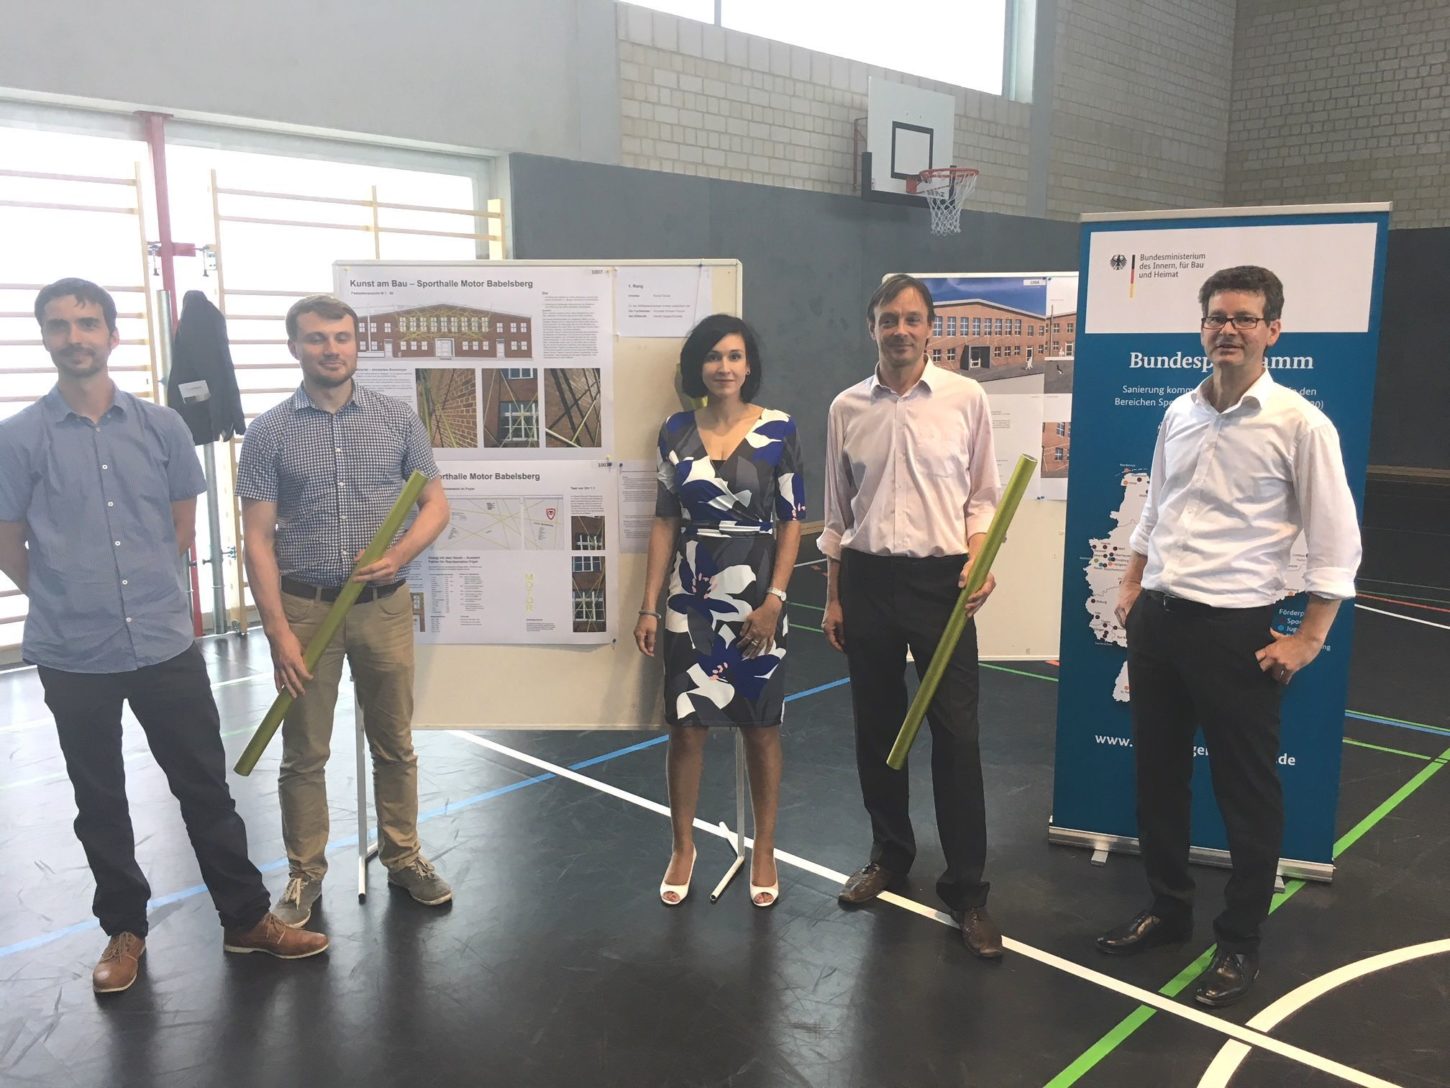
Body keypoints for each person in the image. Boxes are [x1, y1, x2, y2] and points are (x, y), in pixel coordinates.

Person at [0, 279, 328, 994]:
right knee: (101, 800)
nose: (75, 336)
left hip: (163, 642)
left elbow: (182, 529)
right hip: (73, 653)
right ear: (47, 339)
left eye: (88, 323)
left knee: (204, 787)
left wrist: (143, 595)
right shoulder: (17, 439)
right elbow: (9, 542)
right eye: (60, 326)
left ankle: (245, 920)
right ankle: (124, 932)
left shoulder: (163, 429)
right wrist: (69, 596)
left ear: (113, 336)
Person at [1097, 265, 1362, 1008]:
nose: (1228, 329)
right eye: (1217, 316)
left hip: (1235, 633)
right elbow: (1153, 509)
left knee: (1247, 795)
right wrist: (1129, 585)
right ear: (1202, 325)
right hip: (1158, 624)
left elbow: (1337, 546)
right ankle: (1168, 909)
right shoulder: (1180, 412)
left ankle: (1239, 942)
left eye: (1245, 318)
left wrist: (1308, 640)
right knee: (1158, 779)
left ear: (1273, 330)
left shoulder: (1300, 424)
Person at [238, 295, 452, 927]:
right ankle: (305, 872)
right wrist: (277, 632)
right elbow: (256, 538)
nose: (330, 349)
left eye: (341, 337)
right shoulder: (269, 431)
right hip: (305, 611)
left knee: (395, 744)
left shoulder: (397, 421)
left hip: (382, 609)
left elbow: (436, 505)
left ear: (357, 344)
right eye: (315, 339)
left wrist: (401, 554)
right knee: (304, 752)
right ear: (294, 347)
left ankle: (404, 856)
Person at [820, 274, 1005, 958]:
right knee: (878, 729)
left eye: (912, 319)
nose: (900, 330)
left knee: (957, 737)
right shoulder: (846, 407)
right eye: (888, 319)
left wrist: (980, 558)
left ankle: (967, 891)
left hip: (940, 584)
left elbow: (984, 497)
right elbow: (838, 516)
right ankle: (890, 855)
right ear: (871, 326)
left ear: (931, 329)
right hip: (867, 580)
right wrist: (836, 594)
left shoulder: (966, 399)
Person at [634, 314, 805, 908]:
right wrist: (650, 606)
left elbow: (792, 522)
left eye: (734, 356)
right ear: (698, 367)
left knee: (762, 728)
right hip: (690, 596)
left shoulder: (779, 429)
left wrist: (775, 600)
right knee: (686, 728)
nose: (724, 367)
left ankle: (764, 848)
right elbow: (663, 519)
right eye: (713, 357)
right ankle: (683, 846)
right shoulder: (674, 431)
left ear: (749, 365)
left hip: (759, 595)